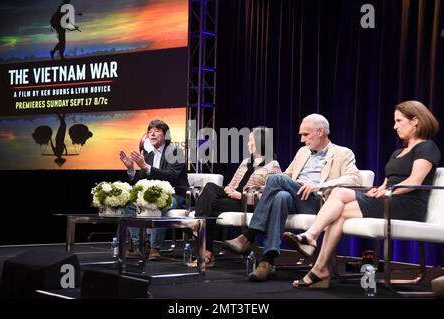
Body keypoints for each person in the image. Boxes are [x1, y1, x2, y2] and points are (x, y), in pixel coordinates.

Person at [289, 101, 440, 289]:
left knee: (340, 196)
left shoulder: (427, 147)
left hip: (407, 205)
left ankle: (312, 242)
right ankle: (319, 267)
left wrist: (386, 191)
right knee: (339, 209)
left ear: (415, 121)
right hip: (390, 199)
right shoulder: (398, 152)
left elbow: (414, 181)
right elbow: (388, 181)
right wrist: (378, 189)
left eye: (399, 121)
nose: (395, 126)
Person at [223, 114, 361, 281]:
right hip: (295, 197)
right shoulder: (302, 152)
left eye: (306, 134)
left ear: (320, 132)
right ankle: (267, 260)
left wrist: (320, 185)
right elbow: (287, 175)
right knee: (281, 196)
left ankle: (250, 235)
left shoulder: (342, 153)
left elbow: (354, 179)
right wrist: (294, 182)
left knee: (276, 178)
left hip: (318, 202)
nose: (302, 139)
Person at [190, 127, 281, 268]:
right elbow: (232, 184)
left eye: (251, 141)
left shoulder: (272, 165)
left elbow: (269, 194)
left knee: (211, 210)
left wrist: (241, 196)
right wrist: (229, 189)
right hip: (231, 197)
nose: (247, 144)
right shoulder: (246, 162)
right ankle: (203, 238)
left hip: (247, 203)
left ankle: (204, 247)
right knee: (209, 187)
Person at [119, 119, 189, 260]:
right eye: (150, 132)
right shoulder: (149, 155)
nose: (152, 134)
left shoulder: (175, 152)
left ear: (166, 135)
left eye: (157, 131)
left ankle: (154, 248)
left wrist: (146, 167)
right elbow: (142, 178)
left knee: (158, 204)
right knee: (129, 204)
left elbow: (172, 176)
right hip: (151, 195)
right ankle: (140, 246)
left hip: (175, 195)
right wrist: (131, 169)